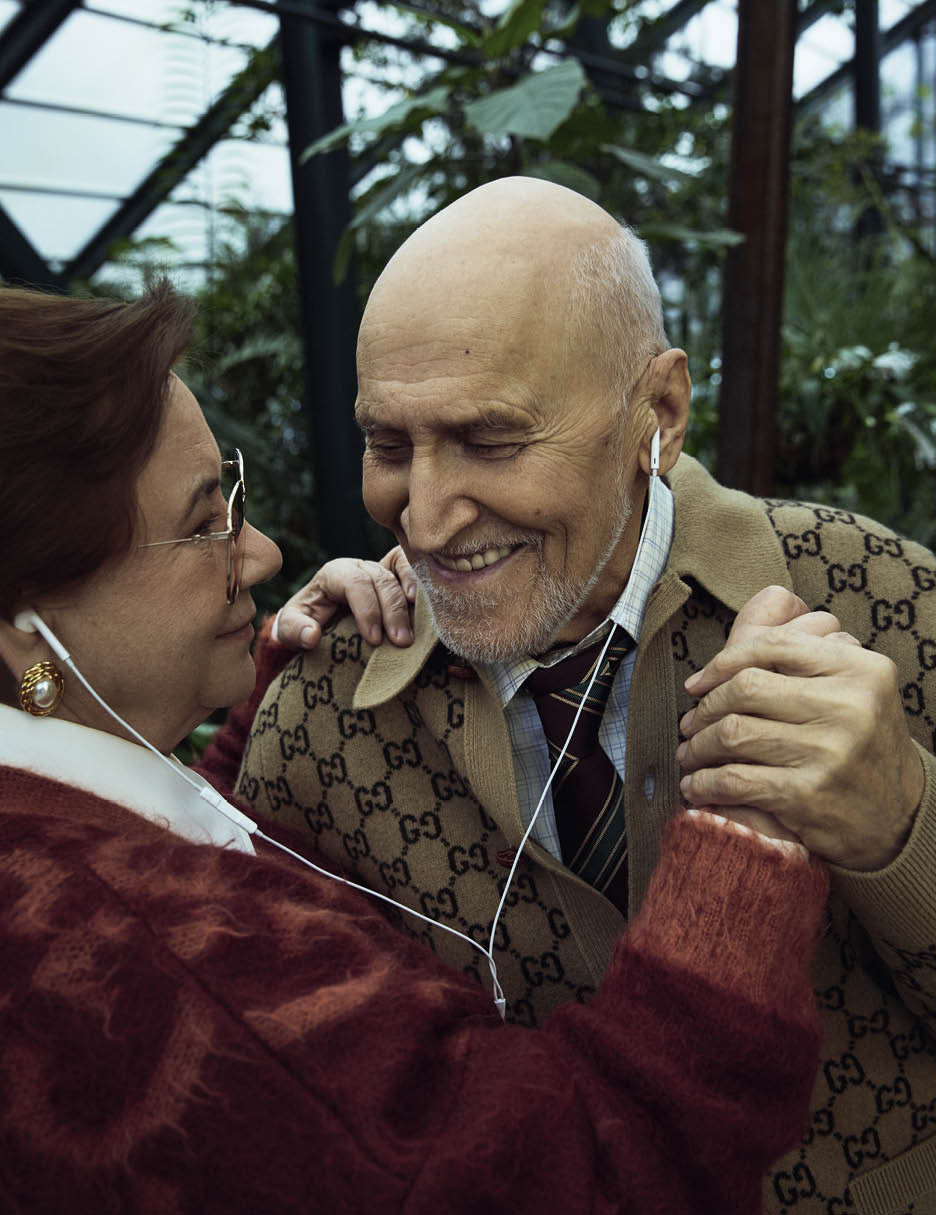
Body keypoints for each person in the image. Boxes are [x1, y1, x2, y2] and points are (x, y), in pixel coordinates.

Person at [0, 282, 829, 1214]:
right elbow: (597, 1175)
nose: (263, 553)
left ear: (658, 415)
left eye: (492, 438)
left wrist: (262, 699)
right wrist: (743, 841)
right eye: (204, 525)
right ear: (27, 631)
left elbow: (157, 840)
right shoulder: (130, 968)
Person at [230, 178, 936, 1214]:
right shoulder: (320, 723)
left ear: (659, 413)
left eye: (490, 439)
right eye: (388, 445)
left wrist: (907, 826)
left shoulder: (885, 599)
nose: (424, 519)